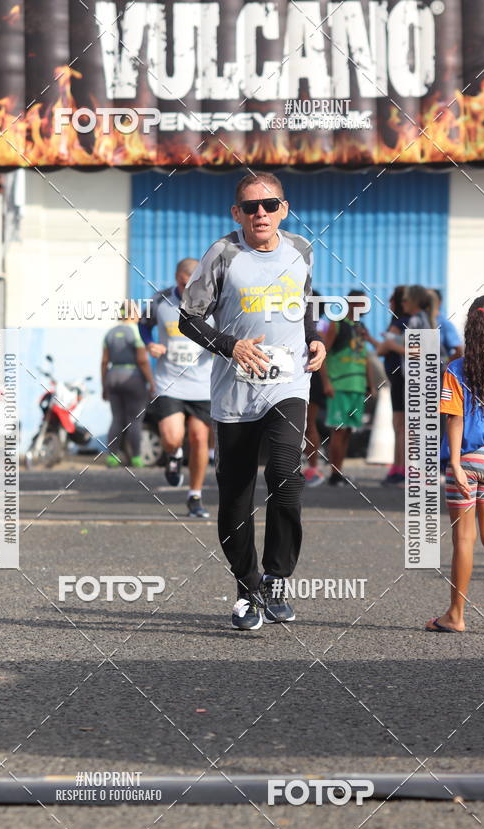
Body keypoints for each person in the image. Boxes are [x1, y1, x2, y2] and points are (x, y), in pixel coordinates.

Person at [178, 171, 326, 630]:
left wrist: (314, 340)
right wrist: (232, 346)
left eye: (269, 205)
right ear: (236, 213)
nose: (260, 213)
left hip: (289, 385)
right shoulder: (223, 254)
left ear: (284, 208)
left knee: (285, 474)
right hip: (236, 391)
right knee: (236, 498)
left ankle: (276, 580)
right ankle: (247, 586)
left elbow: (302, 307)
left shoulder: (301, 249)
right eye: (250, 207)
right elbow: (188, 319)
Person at [426, 295, 484, 633]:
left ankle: (455, 616)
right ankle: (454, 615)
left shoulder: (456, 370)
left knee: (465, 539)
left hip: (467, 460)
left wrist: (458, 466)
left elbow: (455, 420)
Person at [139, 259, 213, 518]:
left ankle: (195, 496)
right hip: (170, 381)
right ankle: (174, 454)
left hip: (203, 384)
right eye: (184, 283)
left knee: (199, 438)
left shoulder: (213, 299)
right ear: (176, 278)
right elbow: (143, 325)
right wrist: (150, 344)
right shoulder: (160, 300)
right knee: (171, 437)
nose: (188, 288)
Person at [324, 291, 376, 486]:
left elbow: (366, 357)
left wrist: (370, 383)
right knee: (338, 430)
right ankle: (333, 474)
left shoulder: (361, 328)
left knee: (347, 432)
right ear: (352, 303)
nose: (366, 308)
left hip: (357, 386)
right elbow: (323, 354)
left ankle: (340, 472)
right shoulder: (337, 324)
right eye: (363, 304)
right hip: (340, 385)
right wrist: (327, 382)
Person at [364, 286, 408, 486]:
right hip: (400, 377)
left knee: (400, 425)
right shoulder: (404, 323)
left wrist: (388, 344)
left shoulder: (399, 323)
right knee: (401, 424)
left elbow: (383, 350)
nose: (389, 303)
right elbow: (384, 348)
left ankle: (400, 468)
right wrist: (374, 341)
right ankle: (399, 466)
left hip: (401, 378)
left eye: (391, 300)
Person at [101, 305, 155, 468]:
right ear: (133, 314)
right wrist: (151, 382)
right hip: (133, 378)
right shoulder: (136, 332)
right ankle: (137, 458)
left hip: (113, 376)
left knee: (117, 418)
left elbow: (104, 362)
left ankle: (112, 457)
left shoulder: (109, 333)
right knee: (135, 420)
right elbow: (143, 361)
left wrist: (104, 385)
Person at [302, 291, 333, 487]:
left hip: (313, 377)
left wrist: (326, 381)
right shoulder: (325, 326)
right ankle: (311, 465)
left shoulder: (317, 329)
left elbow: (322, 358)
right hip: (314, 378)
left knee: (308, 423)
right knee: (307, 423)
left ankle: (313, 467)